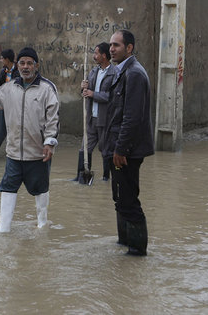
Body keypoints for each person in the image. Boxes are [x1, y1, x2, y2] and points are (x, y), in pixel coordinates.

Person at [0, 47, 59, 237]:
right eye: (22, 63)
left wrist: (49, 142)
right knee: (8, 186)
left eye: (29, 63)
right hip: (14, 151)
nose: (25, 67)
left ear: (36, 66)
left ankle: (42, 224)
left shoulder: (47, 89)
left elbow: (53, 119)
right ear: (17, 65)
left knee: (40, 188)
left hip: (38, 152)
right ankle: (3, 227)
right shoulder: (9, 88)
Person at [102, 29, 154, 256]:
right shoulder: (121, 71)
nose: (111, 49)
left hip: (127, 151)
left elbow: (132, 118)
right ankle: (124, 243)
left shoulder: (134, 74)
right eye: (111, 45)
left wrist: (120, 149)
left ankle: (136, 252)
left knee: (129, 201)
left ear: (129, 48)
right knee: (120, 198)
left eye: (117, 45)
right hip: (118, 147)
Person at [73, 42, 115, 182]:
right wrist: (83, 88)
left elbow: (111, 97)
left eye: (96, 53)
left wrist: (93, 94)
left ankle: (106, 178)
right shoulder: (93, 71)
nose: (94, 56)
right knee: (84, 148)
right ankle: (81, 176)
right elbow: (86, 93)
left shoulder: (114, 73)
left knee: (106, 151)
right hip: (91, 118)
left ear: (104, 55)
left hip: (105, 119)